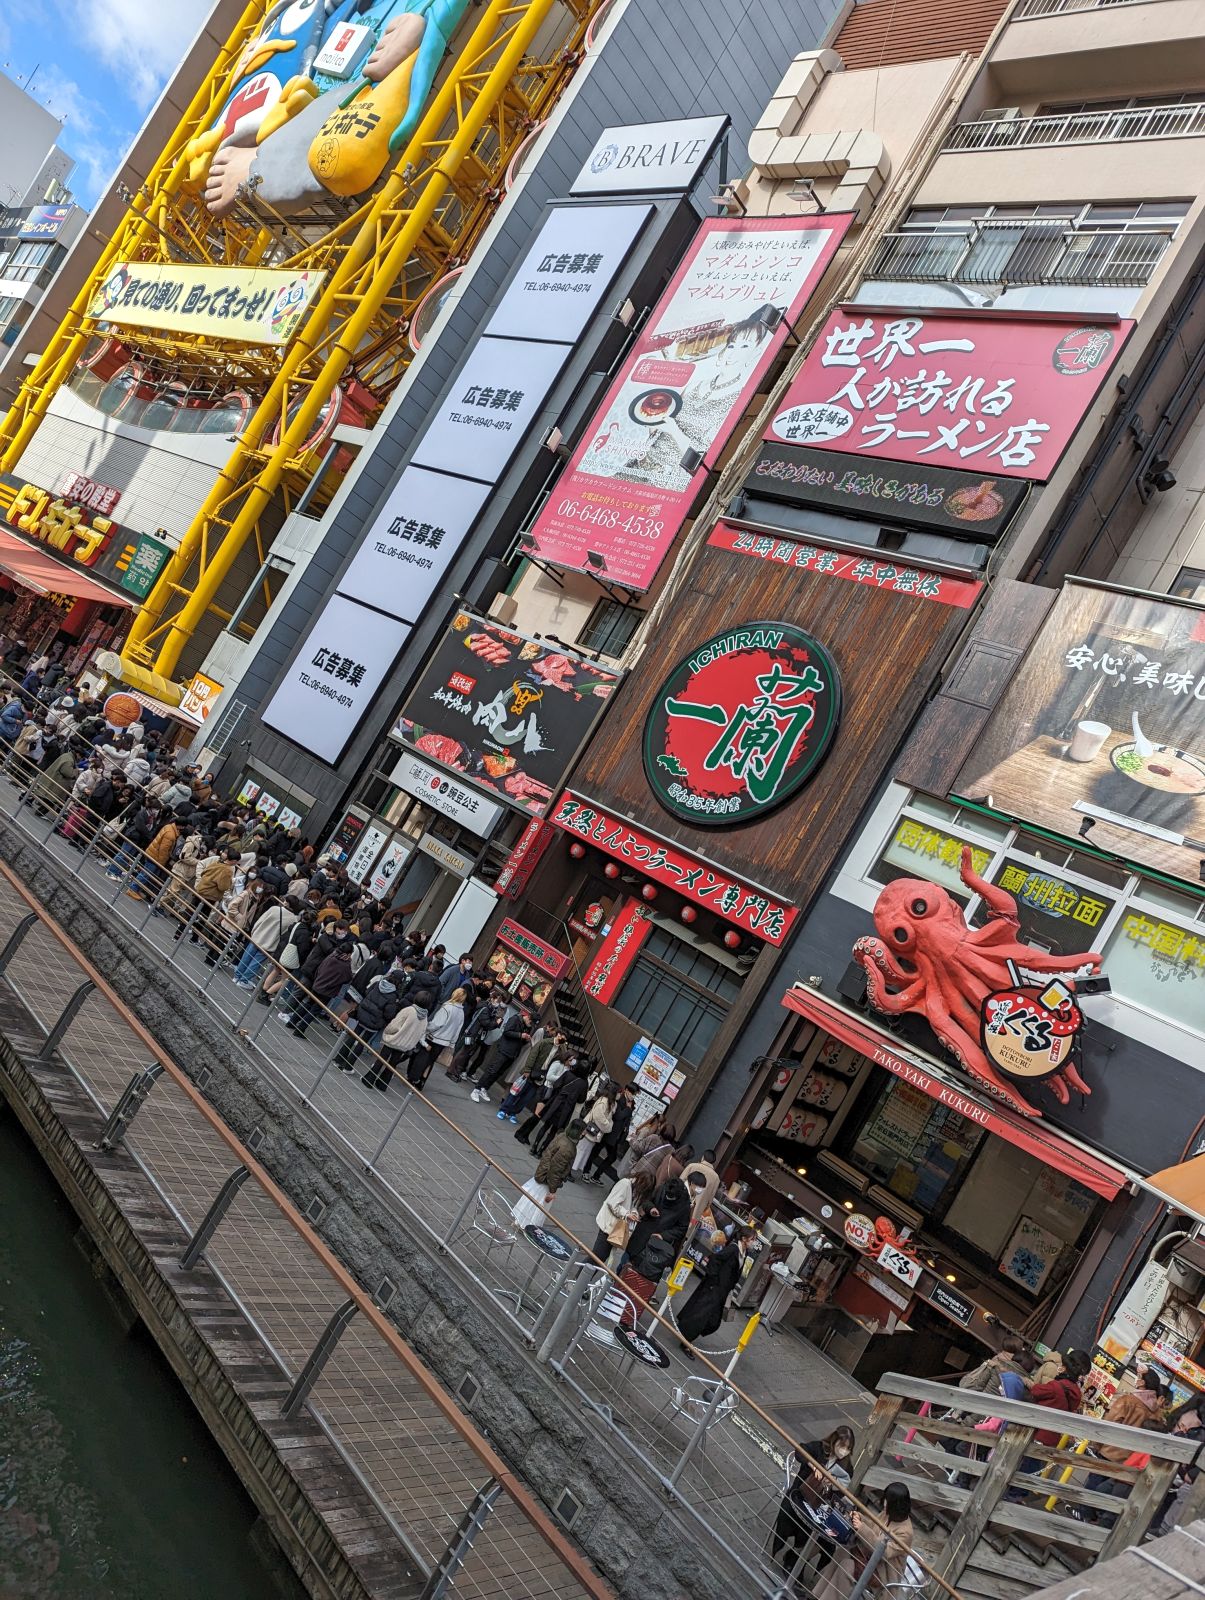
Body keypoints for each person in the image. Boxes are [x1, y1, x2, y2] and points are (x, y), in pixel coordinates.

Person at [770, 1427, 859, 1582]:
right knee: (791, 1515)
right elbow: (800, 1451)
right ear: (834, 1441)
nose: (843, 1451)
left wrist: (832, 1485)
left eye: (847, 1449)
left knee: (822, 1537)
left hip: (819, 1505)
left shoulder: (847, 1468)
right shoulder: (819, 1448)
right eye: (841, 1446)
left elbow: (840, 1494)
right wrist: (813, 1465)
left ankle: (796, 1558)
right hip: (799, 1494)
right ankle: (793, 1558)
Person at [676, 1228, 750, 1354]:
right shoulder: (733, 1249)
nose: (753, 1242)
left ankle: (684, 1328)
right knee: (703, 1315)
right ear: (744, 1239)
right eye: (752, 1239)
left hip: (722, 1290)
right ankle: (686, 1340)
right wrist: (714, 1279)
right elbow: (715, 1259)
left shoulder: (743, 1252)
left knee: (713, 1320)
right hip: (715, 1288)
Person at [510, 1119, 583, 1228]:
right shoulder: (568, 1148)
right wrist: (552, 1191)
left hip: (542, 1173)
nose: (585, 1133)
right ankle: (526, 1226)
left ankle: (519, 1222)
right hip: (547, 1179)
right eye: (584, 1131)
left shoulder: (562, 1136)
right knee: (538, 1205)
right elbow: (555, 1170)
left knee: (531, 1200)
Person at [587, 1171, 653, 1270]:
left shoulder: (633, 1188)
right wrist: (627, 1214)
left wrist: (633, 1213)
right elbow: (613, 1203)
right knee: (597, 1257)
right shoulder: (625, 1184)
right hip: (608, 1225)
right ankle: (577, 1280)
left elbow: (631, 1206)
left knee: (600, 1257)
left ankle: (581, 1281)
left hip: (613, 1227)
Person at [233, 895, 299, 988]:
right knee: (256, 962)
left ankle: (237, 976)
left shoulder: (274, 909)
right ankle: (244, 980)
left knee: (246, 956)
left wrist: (254, 932)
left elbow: (260, 920)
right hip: (270, 943)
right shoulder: (293, 919)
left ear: (287, 902)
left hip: (258, 937)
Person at [470, 1005, 532, 1103]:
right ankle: (476, 1089)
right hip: (504, 1050)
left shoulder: (527, 1026)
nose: (530, 1024)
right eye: (530, 1021)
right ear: (527, 1017)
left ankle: (484, 1088)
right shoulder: (515, 1019)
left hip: (512, 1053)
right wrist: (520, 1035)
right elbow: (506, 1032)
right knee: (492, 1070)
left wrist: (525, 1039)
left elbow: (521, 1041)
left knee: (499, 1072)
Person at [365, 997, 429, 1091]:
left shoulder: (409, 1010)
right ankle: (382, 1084)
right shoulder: (425, 1018)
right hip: (404, 1045)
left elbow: (395, 1025)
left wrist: (387, 1032)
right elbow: (420, 1033)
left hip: (394, 1039)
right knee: (393, 1064)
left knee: (381, 1059)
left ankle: (369, 1080)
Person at [407, 985, 466, 1087]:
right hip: (445, 1041)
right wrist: (452, 1043)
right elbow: (458, 1029)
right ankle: (422, 1081)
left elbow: (436, 1024)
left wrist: (426, 1027)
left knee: (421, 1058)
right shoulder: (461, 1012)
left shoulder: (447, 1007)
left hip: (433, 1037)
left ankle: (413, 1078)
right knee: (430, 1062)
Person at [529, 1059, 587, 1156]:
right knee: (554, 1131)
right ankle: (541, 1151)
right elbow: (581, 1100)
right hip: (567, 1108)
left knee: (545, 1125)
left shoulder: (568, 1074)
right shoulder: (584, 1083)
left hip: (556, 1102)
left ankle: (534, 1146)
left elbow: (556, 1085)